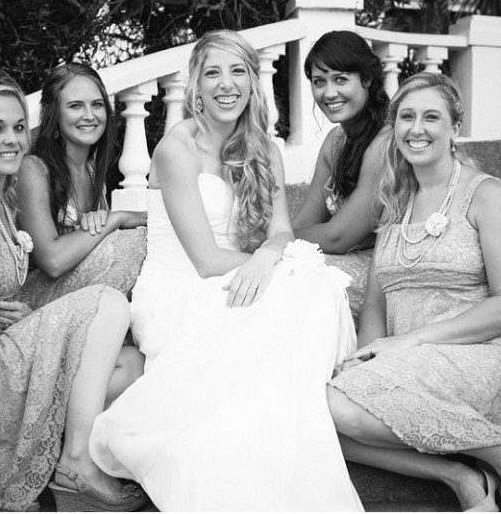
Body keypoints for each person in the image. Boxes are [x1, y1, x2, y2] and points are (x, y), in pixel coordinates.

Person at [88, 30, 363, 511]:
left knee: (316, 285)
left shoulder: (264, 149)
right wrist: (268, 264)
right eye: (212, 73)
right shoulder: (176, 149)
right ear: (196, 84)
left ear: (253, 82)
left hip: (238, 275)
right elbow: (205, 260)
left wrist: (268, 257)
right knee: (302, 285)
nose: (226, 84)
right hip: (181, 289)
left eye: (238, 71)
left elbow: (282, 232)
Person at [0, 75, 147, 512]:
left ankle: (63, 447)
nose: (13, 140)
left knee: (131, 365)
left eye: (18, 127)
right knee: (107, 304)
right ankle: (75, 462)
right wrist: (13, 327)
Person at [328, 72, 501, 512]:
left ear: (455, 126)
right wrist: (365, 358)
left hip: (483, 350)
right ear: (394, 127)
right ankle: (461, 476)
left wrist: (410, 341)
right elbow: (376, 301)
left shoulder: (487, 194)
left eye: (431, 117)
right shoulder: (395, 202)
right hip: (411, 358)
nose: (417, 129)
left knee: (339, 408)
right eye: (407, 117)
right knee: (312, 416)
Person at [16, 62, 147, 311]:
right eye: (75, 106)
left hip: (83, 296)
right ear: (53, 113)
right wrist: (115, 219)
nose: (89, 115)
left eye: (97, 104)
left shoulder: (91, 168)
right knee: (133, 246)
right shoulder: (33, 169)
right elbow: (53, 260)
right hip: (33, 303)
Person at [292, 30, 393, 319]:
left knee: (291, 281)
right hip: (341, 259)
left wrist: (275, 237)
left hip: (378, 272)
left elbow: (339, 237)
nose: (328, 93)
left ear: (367, 79)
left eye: (340, 79)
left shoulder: (385, 142)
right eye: (319, 82)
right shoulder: (335, 141)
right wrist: (273, 241)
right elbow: (306, 222)